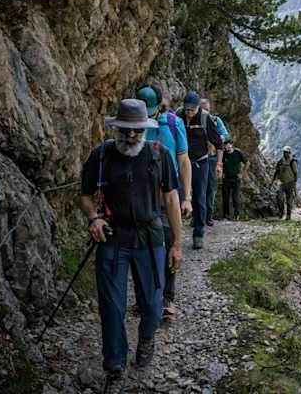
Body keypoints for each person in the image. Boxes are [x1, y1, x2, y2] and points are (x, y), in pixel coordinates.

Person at [78, 99, 182, 393]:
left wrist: (177, 244)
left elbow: (171, 199)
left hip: (150, 237)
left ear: (145, 128)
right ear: (117, 128)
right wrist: (94, 218)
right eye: (126, 129)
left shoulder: (160, 155)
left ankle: (146, 338)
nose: (132, 134)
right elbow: (84, 195)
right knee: (111, 306)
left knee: (153, 304)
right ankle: (114, 366)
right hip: (113, 236)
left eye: (137, 129)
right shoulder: (101, 156)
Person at [136, 84, 192, 321]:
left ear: (158, 105)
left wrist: (187, 197)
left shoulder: (173, 123)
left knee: (169, 240)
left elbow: (184, 160)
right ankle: (146, 296)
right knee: (141, 245)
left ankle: (167, 297)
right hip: (140, 197)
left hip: (167, 196)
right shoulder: (133, 123)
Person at [178, 91, 222, 249]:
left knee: (199, 197)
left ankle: (198, 233)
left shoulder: (205, 118)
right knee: (177, 195)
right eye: (187, 109)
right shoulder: (178, 116)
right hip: (181, 163)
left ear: (198, 107)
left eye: (192, 109)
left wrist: (219, 163)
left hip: (200, 163)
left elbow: (218, 143)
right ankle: (174, 234)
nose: (189, 112)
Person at [199, 98, 231, 227]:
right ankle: (198, 216)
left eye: (207, 110)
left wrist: (220, 137)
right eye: (203, 110)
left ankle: (208, 216)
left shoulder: (216, 121)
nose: (205, 112)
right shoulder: (193, 121)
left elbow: (227, 136)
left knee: (210, 187)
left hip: (211, 158)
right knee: (198, 187)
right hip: (197, 158)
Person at [221, 140, 249, 221]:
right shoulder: (223, 154)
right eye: (225, 145)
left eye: (227, 144)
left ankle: (236, 215)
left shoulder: (238, 153)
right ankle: (225, 216)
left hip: (236, 179)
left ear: (231, 145)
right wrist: (222, 172)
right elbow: (219, 163)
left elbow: (247, 163)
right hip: (226, 179)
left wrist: (242, 173)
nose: (226, 146)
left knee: (235, 198)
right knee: (225, 198)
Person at [270, 146, 299, 221]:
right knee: (279, 197)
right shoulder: (280, 161)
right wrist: (272, 181)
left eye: (287, 152)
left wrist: (294, 183)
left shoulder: (292, 161)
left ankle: (288, 215)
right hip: (282, 182)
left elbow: (295, 173)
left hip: (290, 183)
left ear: (289, 153)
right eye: (284, 152)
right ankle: (281, 212)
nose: (285, 153)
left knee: (289, 200)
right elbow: (276, 172)